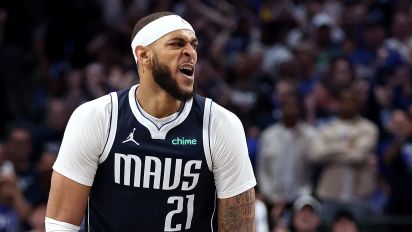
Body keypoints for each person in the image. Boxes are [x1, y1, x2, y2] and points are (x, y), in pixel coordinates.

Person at [45, 12, 257, 232]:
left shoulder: (220, 125)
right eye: (177, 44)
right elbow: (60, 225)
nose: (190, 52)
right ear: (144, 55)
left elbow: (239, 227)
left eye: (194, 45)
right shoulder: (97, 118)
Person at [257, 93, 316, 229]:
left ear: (299, 109)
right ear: (281, 109)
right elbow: (263, 170)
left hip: (302, 197)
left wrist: (305, 193)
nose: (290, 110)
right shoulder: (268, 135)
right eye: (286, 107)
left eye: (294, 107)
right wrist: (269, 194)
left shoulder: (310, 135)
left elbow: (313, 167)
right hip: (272, 198)